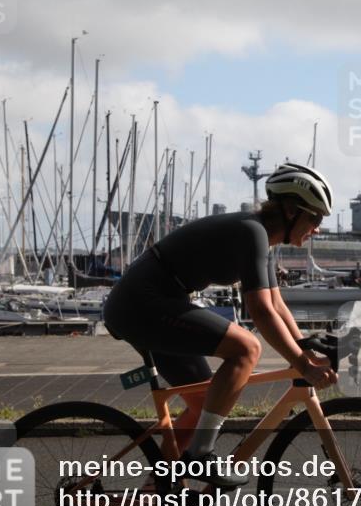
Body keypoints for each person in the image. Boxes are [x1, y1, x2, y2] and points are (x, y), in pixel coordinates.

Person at [103, 163, 337, 487]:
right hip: (140, 304)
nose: (317, 229)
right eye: (315, 218)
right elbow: (260, 312)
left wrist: (305, 349)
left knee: (202, 404)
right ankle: (199, 455)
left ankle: (157, 492)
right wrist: (302, 365)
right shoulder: (251, 232)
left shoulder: (261, 239)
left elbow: (276, 305)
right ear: (289, 210)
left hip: (157, 302)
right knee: (246, 348)